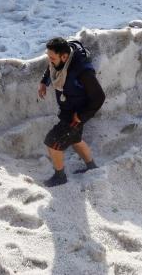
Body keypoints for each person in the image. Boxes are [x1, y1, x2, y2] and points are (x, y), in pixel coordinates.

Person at [38, 37, 105, 187]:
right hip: (67, 109)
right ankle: (92, 167)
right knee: (75, 140)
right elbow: (51, 67)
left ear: (64, 56)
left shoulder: (82, 71)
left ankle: (60, 177)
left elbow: (99, 97)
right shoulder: (59, 60)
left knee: (52, 142)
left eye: (52, 57)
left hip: (76, 113)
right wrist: (44, 82)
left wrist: (81, 116)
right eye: (48, 56)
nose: (49, 60)